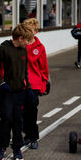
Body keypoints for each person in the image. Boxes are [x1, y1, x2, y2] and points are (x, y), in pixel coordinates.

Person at [0, 23, 34, 160]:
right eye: (27, 40)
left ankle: (17, 148)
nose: (28, 43)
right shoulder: (3, 49)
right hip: (6, 92)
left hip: (21, 92)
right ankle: (1, 148)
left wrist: (28, 87)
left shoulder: (24, 50)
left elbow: (24, 72)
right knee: (6, 119)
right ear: (20, 38)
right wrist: (2, 84)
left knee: (18, 120)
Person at [22, 18, 50, 150]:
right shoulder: (20, 45)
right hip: (20, 84)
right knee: (20, 113)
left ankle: (33, 138)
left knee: (31, 112)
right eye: (25, 30)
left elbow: (44, 68)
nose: (27, 33)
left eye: (30, 31)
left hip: (34, 85)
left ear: (36, 32)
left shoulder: (40, 48)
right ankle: (26, 135)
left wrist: (43, 85)